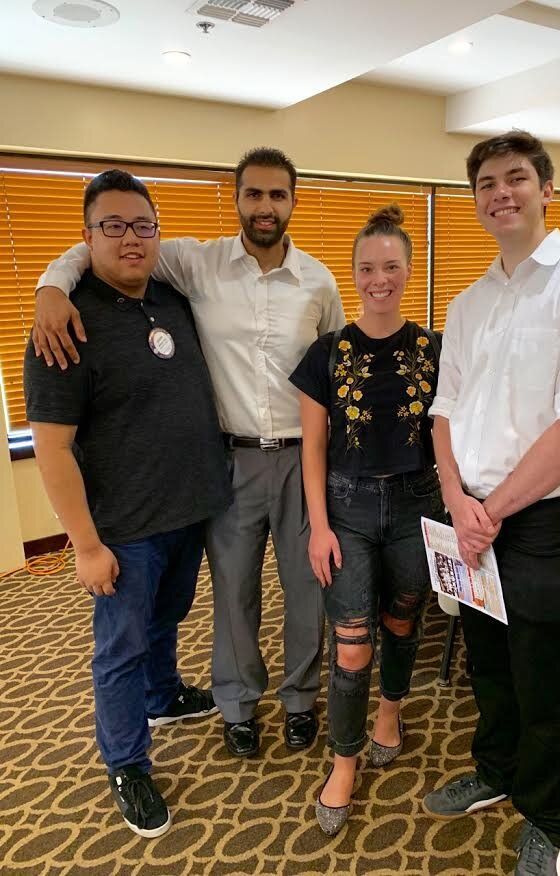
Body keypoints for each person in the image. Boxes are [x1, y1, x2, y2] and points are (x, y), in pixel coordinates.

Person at [31, 148, 345, 758]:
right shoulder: (194, 262)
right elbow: (107, 242)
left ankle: (302, 698)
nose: (264, 206)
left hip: (303, 456)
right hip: (228, 462)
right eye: (253, 194)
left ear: (293, 203)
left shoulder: (319, 281)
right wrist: (49, 285)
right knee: (233, 591)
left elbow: (331, 373)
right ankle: (237, 704)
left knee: (307, 585)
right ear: (236, 199)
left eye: (277, 195)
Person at [422, 132, 560, 876]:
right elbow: (443, 409)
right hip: (467, 513)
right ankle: (495, 769)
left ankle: (547, 818)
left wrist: (494, 510)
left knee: (539, 676)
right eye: (485, 182)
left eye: (515, 178)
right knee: (485, 664)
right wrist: (454, 496)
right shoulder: (468, 301)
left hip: (536, 522)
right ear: (474, 197)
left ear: (547, 189)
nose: (499, 192)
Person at [23, 170, 232, 837]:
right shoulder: (65, 322)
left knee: (168, 618)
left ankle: (162, 693)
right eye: (112, 226)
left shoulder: (172, 296)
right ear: (86, 238)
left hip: (188, 509)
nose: (131, 239)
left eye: (143, 225)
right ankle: (126, 761)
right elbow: (52, 450)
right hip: (122, 530)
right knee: (119, 646)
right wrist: (84, 546)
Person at [289, 205, 444, 835]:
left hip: (417, 503)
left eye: (391, 266)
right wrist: (319, 527)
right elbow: (313, 448)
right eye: (366, 267)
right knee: (351, 645)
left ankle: (391, 708)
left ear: (408, 270)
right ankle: (344, 761)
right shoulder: (324, 354)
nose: (379, 277)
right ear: (353, 274)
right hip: (346, 509)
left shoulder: (435, 351)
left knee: (402, 619)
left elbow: (447, 435)